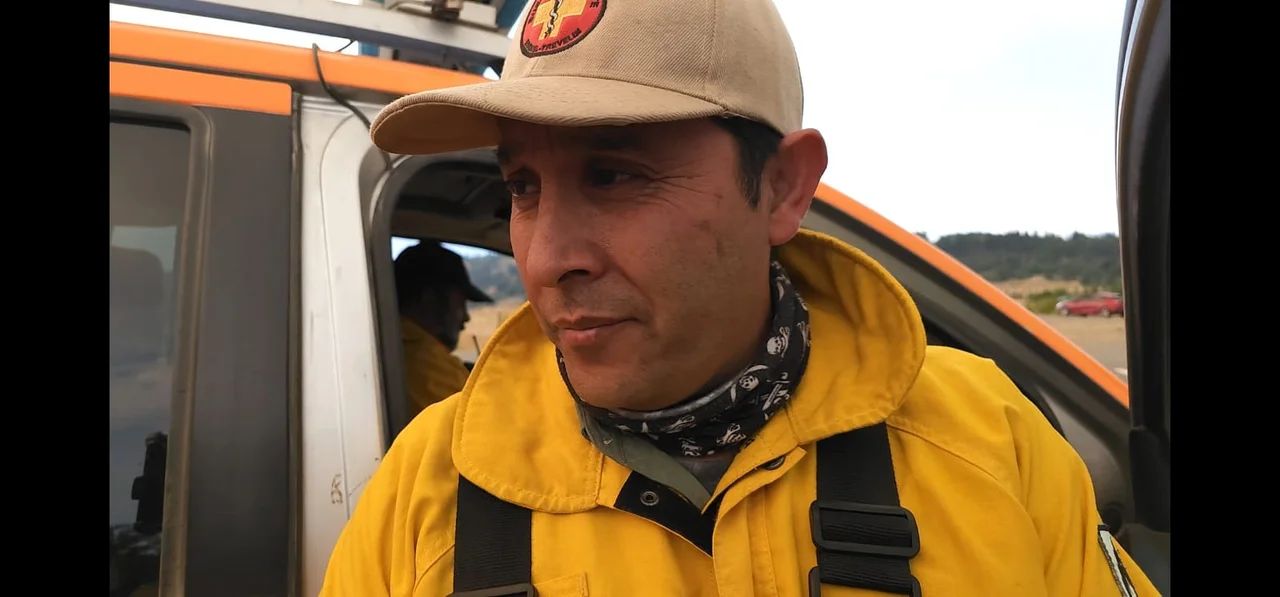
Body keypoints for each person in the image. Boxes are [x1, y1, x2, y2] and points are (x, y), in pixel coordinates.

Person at [321, 0, 1159, 595]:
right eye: (524, 186)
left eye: (613, 175)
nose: (545, 260)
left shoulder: (989, 439)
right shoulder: (424, 491)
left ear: (785, 186)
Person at [393, 242, 492, 419]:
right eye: (460, 305)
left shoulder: (391, 347)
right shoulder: (429, 364)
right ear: (430, 302)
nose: (466, 318)